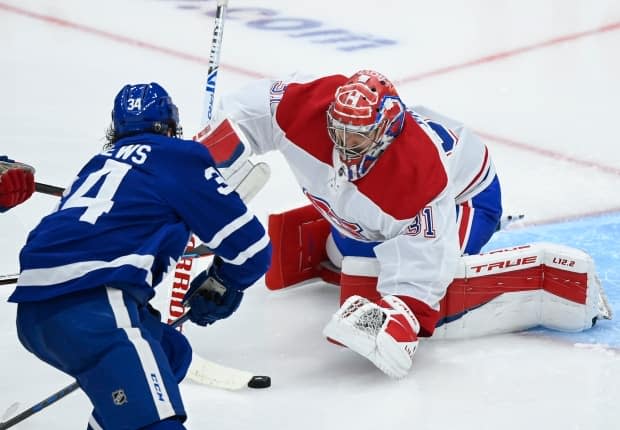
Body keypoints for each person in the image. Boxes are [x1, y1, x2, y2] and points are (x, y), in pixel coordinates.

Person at [212, 70, 610, 379]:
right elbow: (253, 108)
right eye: (340, 130)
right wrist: (207, 157)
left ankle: (534, 279)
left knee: (421, 280)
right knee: (349, 258)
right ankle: (346, 233)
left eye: (358, 136)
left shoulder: (416, 175)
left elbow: (424, 268)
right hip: (378, 209)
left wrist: (400, 316)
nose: (344, 144)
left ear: (385, 130)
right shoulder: (306, 107)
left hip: (466, 200)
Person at [9, 82, 272, 430]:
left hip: (34, 314)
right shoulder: (179, 157)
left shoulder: (94, 166)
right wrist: (223, 283)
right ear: (171, 128)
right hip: (95, 307)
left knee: (168, 355)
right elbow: (252, 251)